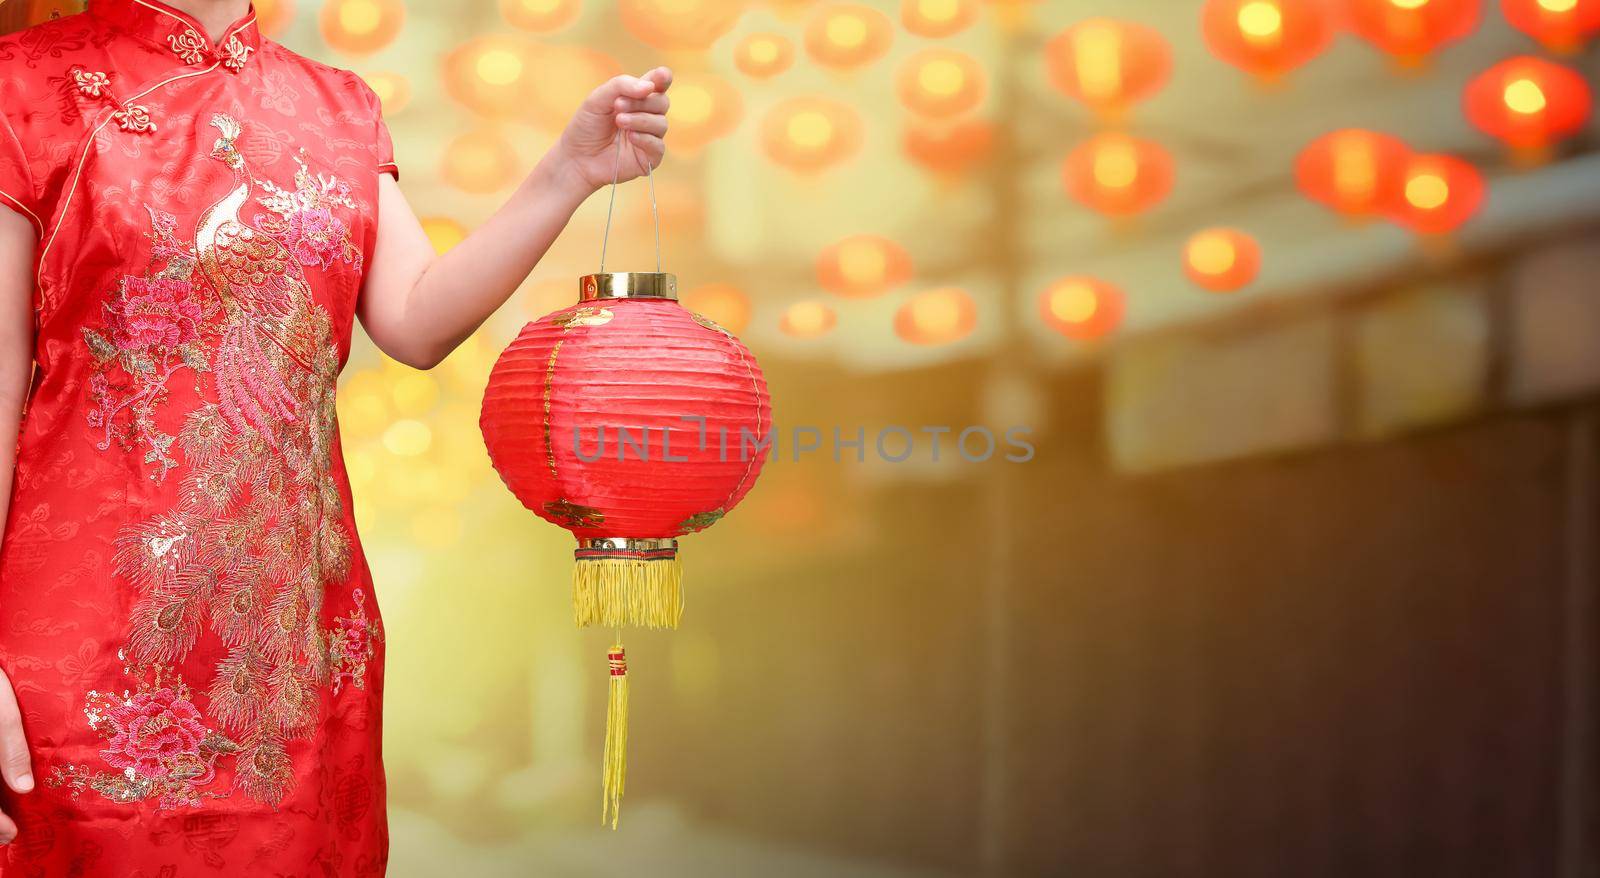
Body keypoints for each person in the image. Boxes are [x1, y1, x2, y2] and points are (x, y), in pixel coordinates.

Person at [0, 0, 671, 872]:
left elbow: (417, 321)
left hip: (297, 647)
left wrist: (568, 173)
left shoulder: (337, 103)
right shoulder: (25, 83)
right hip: (86, 654)